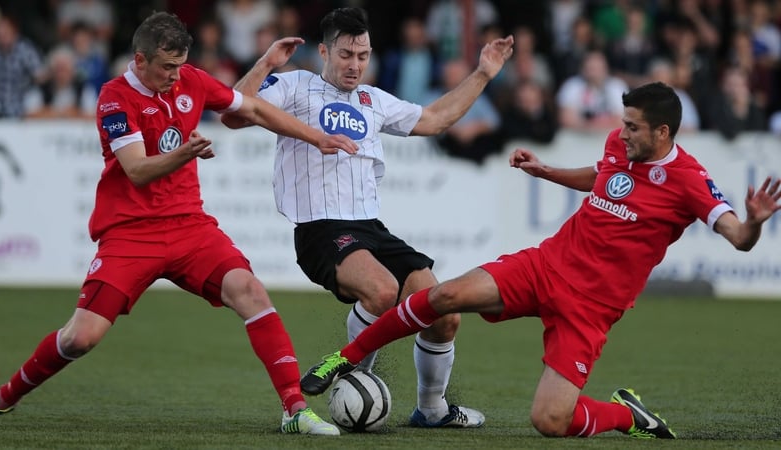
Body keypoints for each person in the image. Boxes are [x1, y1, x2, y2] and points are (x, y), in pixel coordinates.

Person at [299, 82, 781, 439]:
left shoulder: (690, 179)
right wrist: (546, 171)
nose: (621, 133)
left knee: (550, 421)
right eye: (622, 123)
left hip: (590, 308)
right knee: (443, 295)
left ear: (663, 131)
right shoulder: (620, 147)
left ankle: (625, 414)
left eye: (632, 127)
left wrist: (755, 221)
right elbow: (601, 175)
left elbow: (738, 237)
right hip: (546, 265)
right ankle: (344, 358)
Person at [0, 11, 359, 436]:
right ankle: (2, 398)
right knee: (79, 338)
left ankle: (294, 408)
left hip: (189, 227)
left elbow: (250, 107)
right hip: (130, 234)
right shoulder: (113, 98)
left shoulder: (189, 80)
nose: (175, 76)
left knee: (250, 291)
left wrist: (317, 137)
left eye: (180, 66)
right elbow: (138, 170)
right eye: (166, 67)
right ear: (139, 60)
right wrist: (187, 152)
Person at [221, 7, 513, 428]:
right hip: (321, 230)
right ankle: (356, 376)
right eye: (345, 55)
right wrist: (266, 63)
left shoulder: (373, 100)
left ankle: (431, 409)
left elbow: (434, 120)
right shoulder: (294, 86)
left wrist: (483, 73)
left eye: (362, 55)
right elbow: (233, 115)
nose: (354, 65)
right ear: (324, 51)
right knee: (381, 290)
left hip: (372, 230)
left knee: (444, 313)